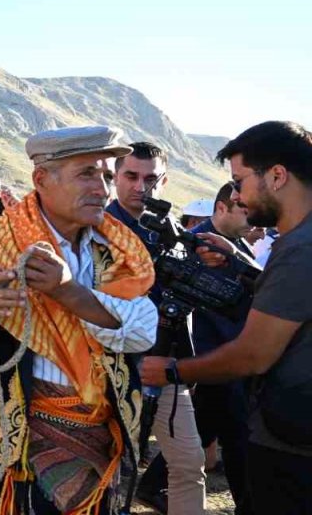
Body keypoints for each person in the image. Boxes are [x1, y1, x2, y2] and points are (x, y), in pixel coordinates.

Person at [0, 126, 158, 514]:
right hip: (11, 446)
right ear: (41, 179)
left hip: (101, 441)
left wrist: (68, 291)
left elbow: (143, 331)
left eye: (107, 176)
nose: (102, 188)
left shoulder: (120, 249)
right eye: (87, 174)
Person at [140, 121, 312, 513]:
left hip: (292, 447)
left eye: (238, 182)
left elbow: (254, 354)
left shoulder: (300, 249)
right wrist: (239, 262)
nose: (236, 195)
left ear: (277, 176)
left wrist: (172, 371)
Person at [105, 141, 206, 514]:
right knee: (109, 470)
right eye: (130, 176)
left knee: (187, 463)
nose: (139, 187)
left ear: (164, 181)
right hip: (107, 370)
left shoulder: (176, 235)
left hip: (165, 369)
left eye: (150, 179)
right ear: (115, 177)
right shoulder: (95, 231)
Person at [184, 182, 257, 514]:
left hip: (231, 359)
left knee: (223, 433)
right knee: (234, 436)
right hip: (214, 358)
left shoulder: (236, 246)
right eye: (244, 209)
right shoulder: (198, 245)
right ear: (221, 208)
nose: (252, 217)